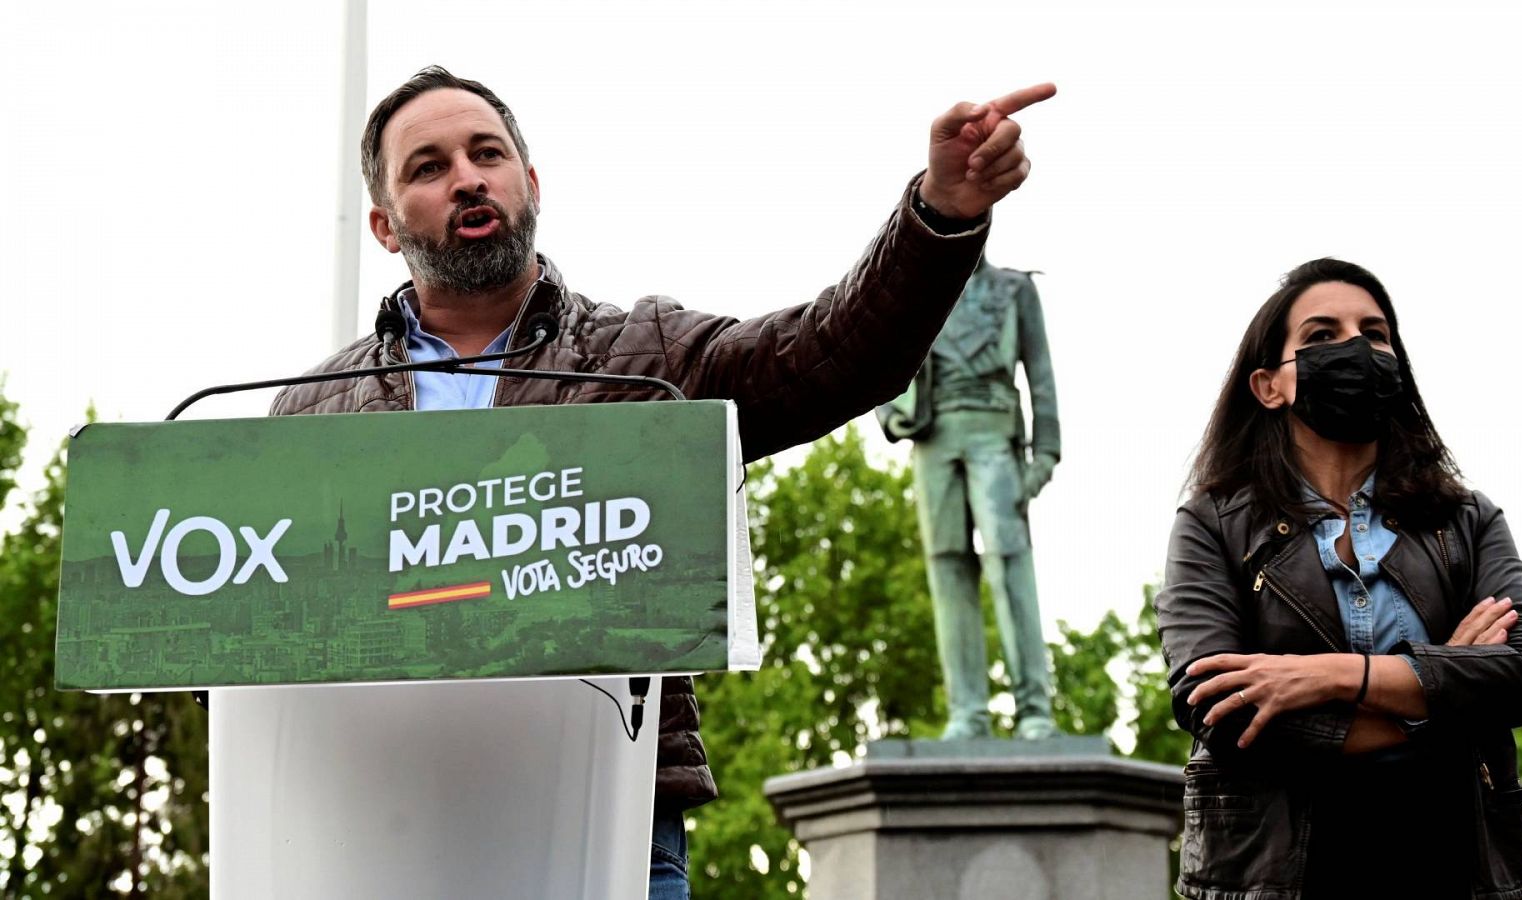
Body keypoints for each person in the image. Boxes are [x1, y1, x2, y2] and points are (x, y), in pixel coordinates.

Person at [269, 66, 1053, 898]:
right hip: (371, 839)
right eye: (429, 167)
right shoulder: (310, 415)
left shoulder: (644, 360)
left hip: (609, 833)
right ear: (385, 224)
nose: (467, 178)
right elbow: (237, 643)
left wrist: (939, 217)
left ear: (530, 183)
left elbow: (835, 351)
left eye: (486, 154)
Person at [1155, 258, 1522, 899]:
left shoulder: (1466, 518)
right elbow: (1216, 704)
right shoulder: (1213, 522)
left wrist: (1327, 676)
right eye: (1321, 335)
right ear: (1268, 385)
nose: (1356, 348)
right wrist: (1435, 693)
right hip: (1276, 876)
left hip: (1452, 864)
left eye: (1374, 333)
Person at [875, 254, 1060, 740]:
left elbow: (1040, 374)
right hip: (933, 440)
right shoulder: (916, 290)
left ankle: (1034, 710)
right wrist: (889, 413)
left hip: (995, 432)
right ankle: (968, 713)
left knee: (1010, 563)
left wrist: (1045, 451)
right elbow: (880, 352)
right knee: (948, 568)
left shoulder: (1015, 289)